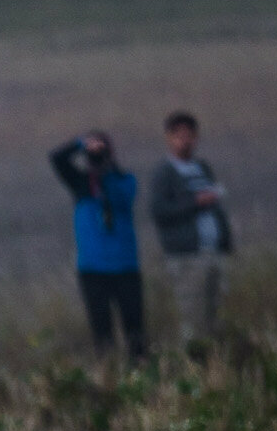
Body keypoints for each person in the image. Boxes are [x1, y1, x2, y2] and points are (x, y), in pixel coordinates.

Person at [49, 130, 146, 360]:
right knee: (102, 332)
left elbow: (121, 197)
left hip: (125, 267)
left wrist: (107, 168)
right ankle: (109, 376)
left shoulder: (125, 180)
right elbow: (56, 158)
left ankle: (140, 372)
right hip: (93, 269)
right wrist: (82, 144)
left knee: (135, 329)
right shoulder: (81, 184)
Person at [149, 111, 234, 347]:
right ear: (169, 138)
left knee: (216, 317)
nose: (186, 141)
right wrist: (196, 202)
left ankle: (217, 366)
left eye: (190, 136)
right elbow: (159, 212)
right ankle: (195, 366)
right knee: (194, 318)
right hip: (187, 256)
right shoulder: (164, 173)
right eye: (180, 136)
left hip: (213, 251)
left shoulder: (203, 167)